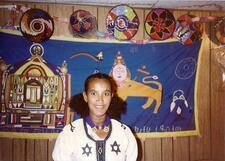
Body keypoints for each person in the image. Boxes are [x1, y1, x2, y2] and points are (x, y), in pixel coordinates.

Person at [52, 72, 138, 161]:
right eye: (93, 93)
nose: (100, 99)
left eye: (106, 94)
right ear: (85, 96)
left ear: (111, 97)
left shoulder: (124, 133)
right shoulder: (70, 133)